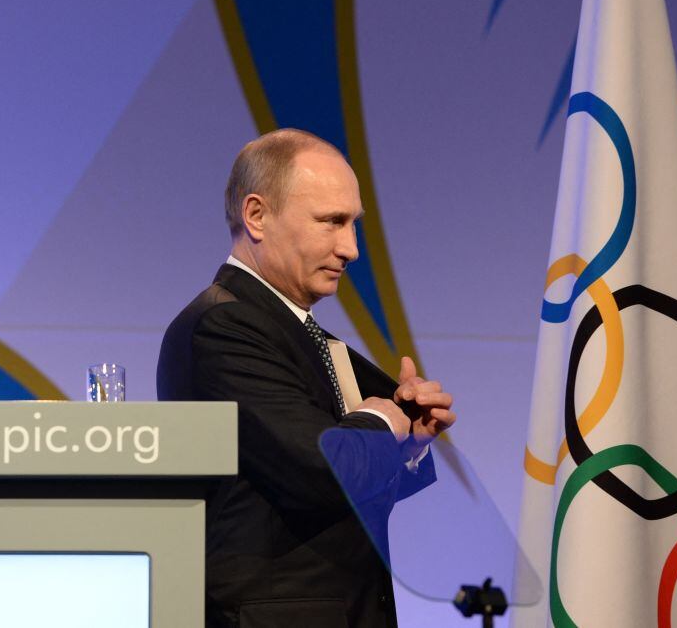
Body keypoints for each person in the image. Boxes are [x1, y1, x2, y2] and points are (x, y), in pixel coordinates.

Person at [157, 128, 455, 628]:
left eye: (353, 224)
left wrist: (407, 444)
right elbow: (318, 472)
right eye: (331, 222)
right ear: (257, 215)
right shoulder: (225, 326)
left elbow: (341, 492)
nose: (351, 248)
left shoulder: (301, 332)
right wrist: (381, 424)